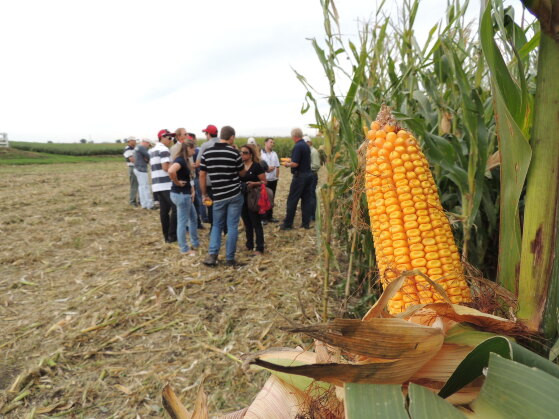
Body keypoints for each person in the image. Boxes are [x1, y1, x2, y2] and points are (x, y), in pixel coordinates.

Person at [199, 126, 246, 266]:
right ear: (231, 137)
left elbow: (202, 174)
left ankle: (212, 256)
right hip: (234, 193)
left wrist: (204, 194)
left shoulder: (207, 153)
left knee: (217, 226)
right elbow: (242, 173)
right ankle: (230, 259)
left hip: (218, 195)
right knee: (232, 226)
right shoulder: (234, 153)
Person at [168, 141, 199, 256]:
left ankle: (195, 242)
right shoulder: (180, 160)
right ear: (188, 149)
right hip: (181, 195)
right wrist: (177, 182)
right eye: (193, 149)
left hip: (184, 194)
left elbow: (187, 176)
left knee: (193, 218)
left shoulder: (184, 160)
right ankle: (184, 249)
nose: (195, 151)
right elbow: (171, 171)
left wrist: (191, 189)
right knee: (182, 222)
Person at [280, 128, 313, 230]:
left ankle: (288, 224)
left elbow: (295, 164)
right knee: (306, 200)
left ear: (294, 136)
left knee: (292, 200)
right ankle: (305, 223)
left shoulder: (297, 146)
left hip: (300, 177)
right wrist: (292, 160)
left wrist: (287, 164)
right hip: (308, 175)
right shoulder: (306, 146)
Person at [150, 129, 177, 243]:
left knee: (164, 211)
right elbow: (166, 167)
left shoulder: (152, 150)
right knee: (176, 208)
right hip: (166, 184)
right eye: (169, 138)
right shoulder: (164, 149)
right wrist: (175, 165)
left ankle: (166, 236)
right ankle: (172, 235)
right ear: (162, 137)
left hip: (156, 184)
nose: (171, 140)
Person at [239, 144, 267, 255]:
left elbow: (264, 182)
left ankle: (260, 247)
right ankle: (249, 244)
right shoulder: (240, 166)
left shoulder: (256, 166)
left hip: (254, 197)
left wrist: (254, 183)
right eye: (241, 152)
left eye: (245, 152)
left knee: (256, 222)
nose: (242, 154)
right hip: (242, 197)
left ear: (251, 154)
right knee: (246, 222)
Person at [196, 124, 219, 226]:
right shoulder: (224, 143)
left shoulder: (205, 146)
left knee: (210, 206)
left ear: (208, 134)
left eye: (206, 133)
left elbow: (198, 162)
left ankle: (213, 229)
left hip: (210, 181)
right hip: (223, 182)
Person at [260, 137, 280, 223]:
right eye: (271, 142)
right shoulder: (260, 154)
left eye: (273, 143)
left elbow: (277, 166)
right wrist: (266, 169)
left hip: (273, 179)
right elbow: (259, 167)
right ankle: (263, 218)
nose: (272, 144)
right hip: (265, 179)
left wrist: (277, 177)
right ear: (265, 143)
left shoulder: (274, 154)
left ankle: (270, 216)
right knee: (264, 198)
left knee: (271, 198)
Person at [134, 138, 155, 209]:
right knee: (146, 187)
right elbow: (149, 156)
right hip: (141, 169)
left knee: (141, 187)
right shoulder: (141, 147)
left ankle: (144, 204)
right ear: (145, 142)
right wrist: (147, 159)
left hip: (137, 168)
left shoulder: (137, 147)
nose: (148, 146)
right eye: (148, 144)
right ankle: (150, 205)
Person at [304, 135, 321, 222]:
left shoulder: (313, 152)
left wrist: (304, 166)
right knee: (308, 195)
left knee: (311, 195)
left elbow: (316, 165)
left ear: (309, 142)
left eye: (306, 142)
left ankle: (313, 215)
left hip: (312, 176)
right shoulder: (307, 151)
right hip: (308, 175)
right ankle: (309, 213)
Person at [123, 136, 139, 206]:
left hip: (137, 167)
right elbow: (131, 159)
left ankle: (139, 200)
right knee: (134, 185)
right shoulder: (128, 149)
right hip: (132, 167)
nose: (135, 142)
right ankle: (132, 201)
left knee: (139, 185)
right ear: (130, 141)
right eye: (134, 140)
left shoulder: (134, 148)